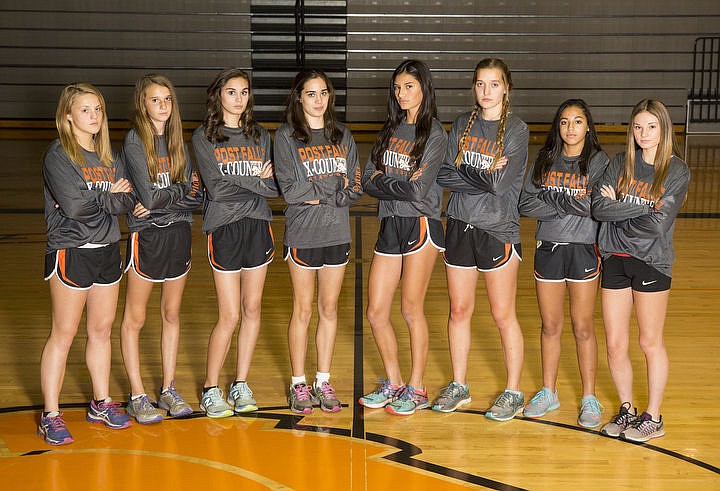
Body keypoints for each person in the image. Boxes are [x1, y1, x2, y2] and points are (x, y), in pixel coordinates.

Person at [433, 58, 529, 421]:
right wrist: (483, 173)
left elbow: (501, 185)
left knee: (503, 314)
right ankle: (459, 385)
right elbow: (443, 175)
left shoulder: (517, 131)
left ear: (506, 88)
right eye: (480, 84)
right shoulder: (461, 124)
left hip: (497, 230)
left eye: (493, 84)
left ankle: (514, 390)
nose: (486, 91)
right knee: (459, 311)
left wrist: (468, 172)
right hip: (459, 224)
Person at [38, 83, 135, 445]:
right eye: (85, 110)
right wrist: (110, 197)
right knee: (63, 334)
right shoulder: (58, 155)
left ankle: (101, 401)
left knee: (101, 331)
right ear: (68, 115)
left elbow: (127, 201)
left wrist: (103, 200)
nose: (93, 116)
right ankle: (51, 413)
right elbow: (75, 209)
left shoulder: (109, 155)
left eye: (97, 109)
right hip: (71, 250)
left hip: (108, 248)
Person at [592, 99, 690, 442]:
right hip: (615, 259)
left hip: (652, 261)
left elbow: (657, 227)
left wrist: (620, 206)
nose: (644, 134)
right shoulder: (620, 162)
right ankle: (627, 409)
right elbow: (600, 208)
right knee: (615, 344)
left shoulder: (676, 171)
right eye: (637, 127)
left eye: (651, 127)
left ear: (664, 129)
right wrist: (642, 207)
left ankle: (653, 416)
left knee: (649, 342)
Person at [358, 59, 448, 416]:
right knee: (376, 311)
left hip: (420, 224)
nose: (401, 93)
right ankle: (394, 381)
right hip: (389, 225)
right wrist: (386, 183)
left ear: (424, 88)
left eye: (409, 86)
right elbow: (366, 179)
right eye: (397, 87)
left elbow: (418, 190)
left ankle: (417, 386)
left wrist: (383, 182)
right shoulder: (390, 128)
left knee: (411, 309)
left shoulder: (435, 134)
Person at [274, 68, 362, 413]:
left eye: (323, 92)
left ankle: (322, 379)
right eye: (311, 94)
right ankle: (298, 383)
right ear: (299, 97)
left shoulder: (342, 135)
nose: (318, 100)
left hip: (336, 232)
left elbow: (353, 186)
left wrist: (321, 192)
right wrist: (332, 187)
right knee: (303, 309)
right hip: (302, 233)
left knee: (329, 309)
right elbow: (291, 191)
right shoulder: (285, 137)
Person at [192, 68, 278, 418]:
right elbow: (216, 188)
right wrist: (255, 181)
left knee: (252, 309)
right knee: (229, 315)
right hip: (223, 228)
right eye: (232, 92)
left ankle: (240, 382)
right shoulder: (204, 137)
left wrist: (248, 184)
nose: (239, 98)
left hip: (257, 225)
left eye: (244, 92)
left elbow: (276, 188)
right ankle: (210, 388)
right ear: (218, 96)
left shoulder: (260, 135)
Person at [518, 99, 609, 427]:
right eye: (565, 122)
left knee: (583, 327)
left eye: (578, 122)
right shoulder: (544, 159)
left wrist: (552, 199)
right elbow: (525, 202)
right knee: (550, 325)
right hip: (549, 248)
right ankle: (549, 390)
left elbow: (596, 207)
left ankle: (589, 396)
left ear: (588, 126)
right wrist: (568, 202)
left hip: (584, 248)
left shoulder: (599, 161)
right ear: (558, 127)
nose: (570, 128)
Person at [120, 74, 203, 424]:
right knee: (135, 318)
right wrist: (175, 198)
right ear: (143, 103)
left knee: (171, 314)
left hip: (179, 235)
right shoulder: (135, 141)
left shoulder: (177, 141)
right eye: (155, 100)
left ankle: (168, 388)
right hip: (147, 236)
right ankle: (137, 394)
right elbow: (151, 198)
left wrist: (165, 202)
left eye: (168, 99)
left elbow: (196, 196)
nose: (163, 106)